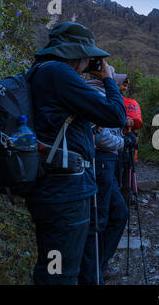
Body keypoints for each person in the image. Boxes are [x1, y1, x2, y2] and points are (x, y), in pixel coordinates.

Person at [26, 22, 127, 285]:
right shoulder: (59, 73)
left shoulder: (42, 71)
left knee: (73, 265)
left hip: (60, 186)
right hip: (65, 191)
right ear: (77, 52)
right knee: (59, 272)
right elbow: (116, 114)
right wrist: (107, 79)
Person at [78, 67, 135, 284]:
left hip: (106, 163)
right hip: (101, 162)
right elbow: (100, 135)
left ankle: (99, 265)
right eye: (114, 79)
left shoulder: (101, 95)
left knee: (118, 213)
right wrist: (122, 143)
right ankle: (93, 273)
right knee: (100, 218)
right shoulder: (96, 96)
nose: (119, 84)